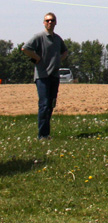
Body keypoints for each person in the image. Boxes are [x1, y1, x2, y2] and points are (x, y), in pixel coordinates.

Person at [21, 12, 69, 141]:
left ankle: (46, 134)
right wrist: (36, 57)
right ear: (44, 22)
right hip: (42, 76)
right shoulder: (39, 37)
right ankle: (41, 135)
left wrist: (59, 59)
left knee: (51, 104)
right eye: (47, 20)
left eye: (52, 20)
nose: (50, 22)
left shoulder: (58, 39)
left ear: (55, 22)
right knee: (44, 104)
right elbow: (25, 49)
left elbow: (65, 51)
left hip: (54, 76)